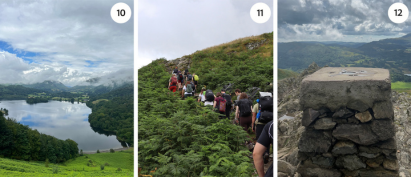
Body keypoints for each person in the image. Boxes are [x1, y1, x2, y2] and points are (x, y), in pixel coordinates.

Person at [252, 92, 273, 163]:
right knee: (268, 139)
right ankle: (267, 152)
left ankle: (261, 155)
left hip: (260, 124)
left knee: (260, 139)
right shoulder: (271, 104)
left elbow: (254, 116)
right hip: (269, 124)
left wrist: (253, 125)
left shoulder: (257, 105)